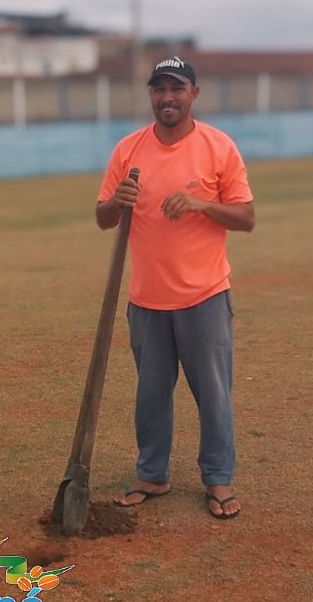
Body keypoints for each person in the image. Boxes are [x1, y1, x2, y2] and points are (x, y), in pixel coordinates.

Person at [97, 56, 254, 519]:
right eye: (159, 89)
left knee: (213, 394)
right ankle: (152, 473)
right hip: (146, 299)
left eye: (177, 88)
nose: (167, 98)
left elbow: (246, 217)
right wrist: (116, 202)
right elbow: (103, 217)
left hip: (204, 295)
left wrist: (200, 204)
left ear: (194, 94)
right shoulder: (129, 149)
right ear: (151, 95)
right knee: (151, 394)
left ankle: (219, 479)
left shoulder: (218, 147)